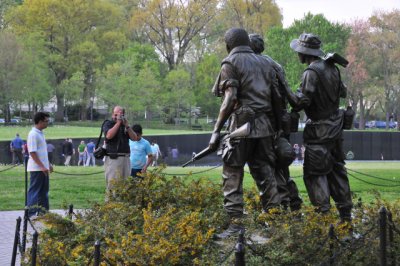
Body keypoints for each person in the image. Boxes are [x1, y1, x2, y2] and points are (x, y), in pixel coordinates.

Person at [209, 28, 281, 239]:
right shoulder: (266, 62)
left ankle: (235, 226)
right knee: (266, 177)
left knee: (231, 175)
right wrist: (277, 128)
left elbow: (230, 98)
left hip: (240, 128)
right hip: (265, 128)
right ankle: (275, 226)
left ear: (228, 44)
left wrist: (216, 131)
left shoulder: (230, 63)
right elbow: (276, 97)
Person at [284, 33, 352, 223]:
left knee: (315, 175)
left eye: (299, 51)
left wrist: (285, 87)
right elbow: (343, 92)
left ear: (305, 53)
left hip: (319, 134)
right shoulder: (333, 68)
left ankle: (324, 223)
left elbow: (301, 102)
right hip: (335, 131)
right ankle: (346, 219)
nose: (297, 54)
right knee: (338, 173)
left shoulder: (311, 72)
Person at [249, 33, 302, 212]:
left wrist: (277, 125)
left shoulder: (258, 66)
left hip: (270, 122)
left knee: (268, 164)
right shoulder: (274, 63)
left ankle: (280, 205)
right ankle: (290, 200)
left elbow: (276, 97)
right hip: (280, 121)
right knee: (280, 164)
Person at [103, 106, 138, 191]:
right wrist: (118, 123)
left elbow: (134, 138)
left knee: (125, 185)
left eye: (120, 115)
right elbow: (109, 135)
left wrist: (127, 126)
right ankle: (110, 203)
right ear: (112, 114)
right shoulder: (108, 124)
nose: (117, 117)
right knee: (113, 184)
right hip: (113, 158)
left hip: (126, 158)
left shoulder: (125, 126)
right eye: (115, 115)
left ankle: (123, 204)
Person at [26, 112, 53, 218]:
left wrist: (48, 164)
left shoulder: (40, 133)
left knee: (43, 192)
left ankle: (44, 212)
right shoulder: (33, 134)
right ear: (40, 121)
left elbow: (42, 152)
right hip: (37, 169)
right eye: (46, 121)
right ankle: (31, 213)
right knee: (34, 191)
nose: (48, 123)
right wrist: (41, 166)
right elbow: (32, 152)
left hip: (43, 168)